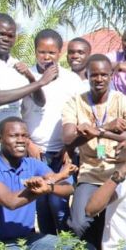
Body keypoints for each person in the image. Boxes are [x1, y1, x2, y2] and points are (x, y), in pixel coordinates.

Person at [0, 117, 93, 250]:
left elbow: (68, 188)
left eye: (24, 136)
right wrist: (43, 186)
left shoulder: (33, 164)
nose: (21, 140)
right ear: (0, 139)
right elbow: (10, 201)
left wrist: (48, 187)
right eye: (14, 136)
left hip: (28, 240)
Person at [62, 54, 126, 246]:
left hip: (121, 170)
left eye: (104, 75)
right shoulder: (74, 102)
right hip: (90, 170)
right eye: (94, 75)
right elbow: (67, 139)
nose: (99, 79)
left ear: (112, 75)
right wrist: (108, 127)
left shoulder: (123, 101)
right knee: (78, 223)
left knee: (123, 224)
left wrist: (100, 130)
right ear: (87, 76)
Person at [0, 13, 56, 177]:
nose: (6, 39)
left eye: (10, 35)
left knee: (16, 200)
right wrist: (40, 82)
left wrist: (30, 77)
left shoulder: (17, 65)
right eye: (1, 34)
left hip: (14, 149)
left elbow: (39, 102)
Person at [22, 29, 83, 234]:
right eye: (41, 52)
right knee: (41, 203)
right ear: (35, 51)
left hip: (62, 153)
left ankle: (65, 249)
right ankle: (47, 246)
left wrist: (70, 146)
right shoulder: (25, 77)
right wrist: (28, 143)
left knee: (58, 203)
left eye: (51, 53)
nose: (46, 57)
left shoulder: (72, 80)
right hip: (35, 152)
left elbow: (78, 115)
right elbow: (17, 115)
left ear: (60, 53)